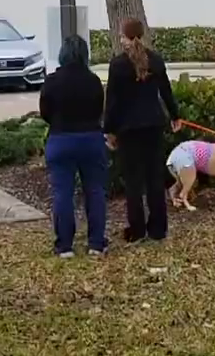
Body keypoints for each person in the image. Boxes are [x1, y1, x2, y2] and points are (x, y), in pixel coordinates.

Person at [103, 19, 181, 243]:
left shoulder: (118, 65)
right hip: (154, 126)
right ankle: (158, 229)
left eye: (121, 36)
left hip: (129, 130)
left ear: (126, 38)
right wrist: (175, 116)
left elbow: (113, 102)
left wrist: (109, 130)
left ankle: (137, 229)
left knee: (133, 182)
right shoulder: (155, 60)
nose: (120, 39)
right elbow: (166, 91)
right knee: (155, 179)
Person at [39, 35, 109, 257]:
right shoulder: (93, 81)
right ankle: (96, 243)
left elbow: (45, 112)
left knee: (62, 194)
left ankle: (65, 245)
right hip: (91, 138)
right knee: (95, 191)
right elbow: (100, 109)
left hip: (61, 139)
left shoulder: (51, 81)